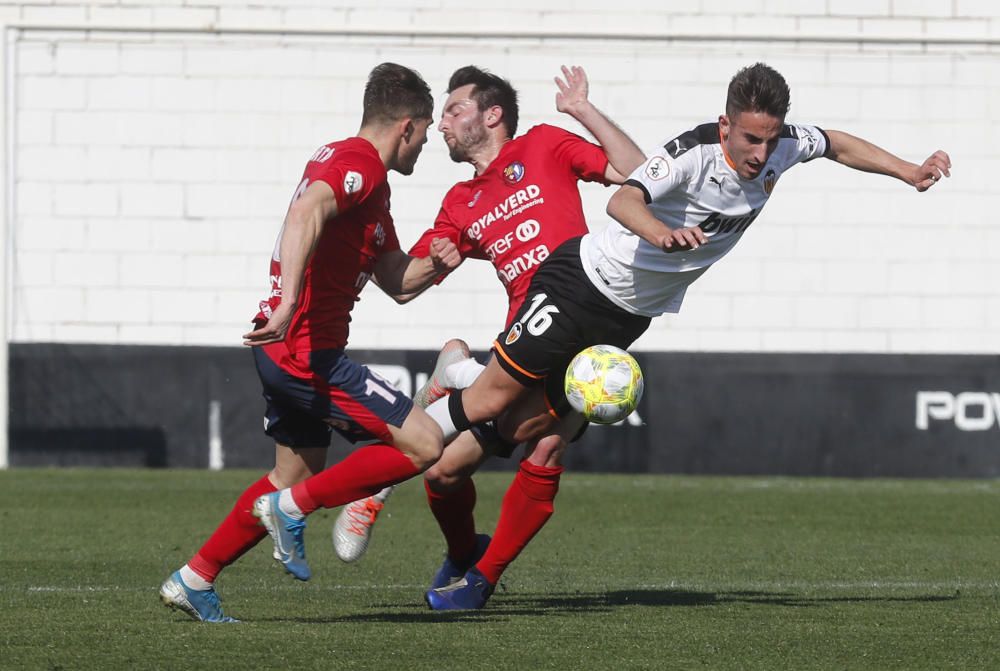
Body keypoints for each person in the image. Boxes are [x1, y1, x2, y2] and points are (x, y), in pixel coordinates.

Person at [416, 61, 951, 609]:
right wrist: (662, 233)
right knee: (455, 455)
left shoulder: (783, 144)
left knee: (547, 443)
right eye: (748, 139)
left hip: (624, 319)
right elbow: (623, 199)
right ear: (725, 126)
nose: (760, 155)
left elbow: (835, 143)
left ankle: (479, 582)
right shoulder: (691, 153)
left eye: (769, 140)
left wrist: (908, 171)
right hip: (583, 285)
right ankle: (420, 438)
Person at [300, 64, 645, 600]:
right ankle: (463, 554)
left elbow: (636, 172)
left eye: (454, 111)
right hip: (522, 346)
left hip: (581, 325)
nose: (441, 125)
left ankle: (477, 580)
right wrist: (428, 259)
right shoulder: (460, 203)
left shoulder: (545, 145)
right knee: (443, 475)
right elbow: (404, 285)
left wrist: (582, 109)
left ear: (492, 114)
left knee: (549, 446)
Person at [158, 62, 460, 623]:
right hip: (305, 354)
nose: (425, 147)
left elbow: (396, 280)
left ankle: (194, 577)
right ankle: (290, 512)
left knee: (293, 473)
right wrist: (291, 300)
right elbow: (306, 211)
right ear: (407, 127)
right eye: (424, 135)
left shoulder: (371, 187)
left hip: (284, 352)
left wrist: (442, 262)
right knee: (422, 444)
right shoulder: (358, 164)